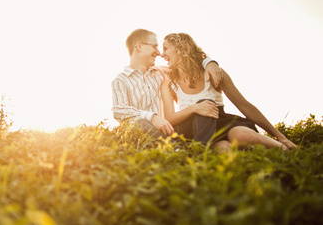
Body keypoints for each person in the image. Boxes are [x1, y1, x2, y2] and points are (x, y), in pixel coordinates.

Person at [160, 32, 297, 152]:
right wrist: (195, 108)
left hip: (222, 122)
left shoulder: (212, 73)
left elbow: (243, 105)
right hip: (196, 131)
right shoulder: (169, 82)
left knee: (243, 136)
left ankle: (284, 148)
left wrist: (281, 136)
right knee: (223, 149)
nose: (162, 54)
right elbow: (170, 118)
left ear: (180, 49)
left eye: (166, 48)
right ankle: (246, 157)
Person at [111, 28, 223, 139]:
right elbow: (118, 110)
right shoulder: (121, 81)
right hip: (143, 134)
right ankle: (175, 149)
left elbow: (187, 63)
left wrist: (209, 63)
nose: (159, 53)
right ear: (139, 46)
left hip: (167, 132)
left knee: (202, 105)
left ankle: (194, 148)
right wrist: (152, 117)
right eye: (154, 47)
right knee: (141, 123)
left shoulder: (160, 73)